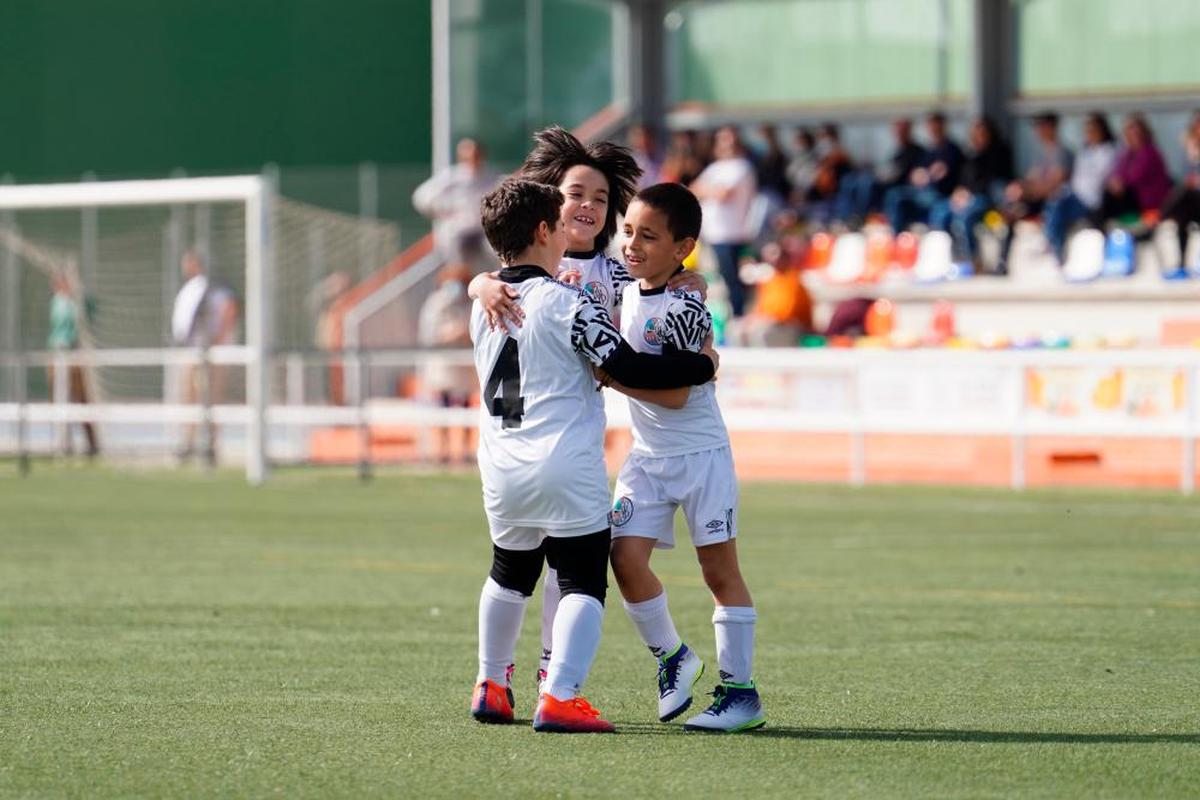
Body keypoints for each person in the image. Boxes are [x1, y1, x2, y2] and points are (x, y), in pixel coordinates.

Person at [468, 178, 718, 733]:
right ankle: (560, 695)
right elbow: (628, 368)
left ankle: (490, 685)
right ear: (542, 231)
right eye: (559, 222)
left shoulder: (483, 305)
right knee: (582, 578)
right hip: (562, 461)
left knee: (509, 572)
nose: (567, 230)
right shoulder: (568, 303)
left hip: (500, 464)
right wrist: (703, 365)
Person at [609, 182, 764, 732]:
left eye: (648, 236)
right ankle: (673, 657)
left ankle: (741, 695)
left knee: (719, 572)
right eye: (628, 231)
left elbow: (676, 395)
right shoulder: (622, 291)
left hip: (700, 455)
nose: (631, 244)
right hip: (646, 458)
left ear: (683, 247)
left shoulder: (687, 306)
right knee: (624, 559)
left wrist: (612, 376)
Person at [170, 249, 238, 463]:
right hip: (192, 350)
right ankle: (188, 442)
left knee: (211, 397)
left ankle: (211, 444)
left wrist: (218, 339)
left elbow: (229, 310)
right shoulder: (190, 289)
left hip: (211, 351)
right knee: (189, 396)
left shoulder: (214, 288)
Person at [928, 116, 1013, 267]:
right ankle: (950, 260)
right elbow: (963, 181)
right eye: (976, 134)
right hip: (966, 198)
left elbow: (991, 183)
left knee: (964, 218)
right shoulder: (971, 157)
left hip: (986, 201)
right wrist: (958, 193)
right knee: (941, 213)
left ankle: (970, 261)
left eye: (983, 134)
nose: (978, 138)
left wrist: (968, 195)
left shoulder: (998, 155)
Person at [691, 126, 757, 317]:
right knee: (720, 282)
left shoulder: (742, 167)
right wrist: (711, 189)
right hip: (713, 234)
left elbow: (723, 193)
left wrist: (708, 189)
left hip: (733, 234)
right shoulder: (715, 167)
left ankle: (739, 317)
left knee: (734, 282)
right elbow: (694, 189)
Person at [996, 111, 1073, 272]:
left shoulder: (1062, 152)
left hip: (1054, 201)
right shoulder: (1041, 153)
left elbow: (1055, 183)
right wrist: (1019, 188)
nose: (1038, 131)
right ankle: (1003, 261)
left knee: (1051, 210)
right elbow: (1032, 178)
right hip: (1037, 199)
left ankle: (1058, 258)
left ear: (1051, 127)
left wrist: (1029, 190)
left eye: (1041, 126)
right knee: (1010, 209)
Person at [411, 137, 501, 271]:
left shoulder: (492, 175)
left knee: (497, 246)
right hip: (459, 228)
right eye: (469, 156)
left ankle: (502, 276)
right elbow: (422, 196)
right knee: (452, 243)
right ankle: (456, 279)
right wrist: (441, 211)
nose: (473, 159)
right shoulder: (451, 177)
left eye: (476, 155)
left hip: (484, 228)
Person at [1042, 112, 1118, 264]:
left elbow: (1100, 177)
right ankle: (1053, 244)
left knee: (1058, 208)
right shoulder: (1084, 152)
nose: (1089, 134)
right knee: (1054, 204)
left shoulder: (1109, 151)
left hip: (1093, 200)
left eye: (1093, 130)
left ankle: (1056, 247)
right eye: (1087, 130)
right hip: (1076, 195)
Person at [417, 264, 475, 463]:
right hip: (443, 366)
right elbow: (430, 334)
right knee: (443, 406)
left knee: (465, 407)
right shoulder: (436, 304)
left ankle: (466, 451)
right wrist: (452, 333)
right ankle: (443, 450)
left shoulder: (470, 303)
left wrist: (465, 332)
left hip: (465, 366)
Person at [834, 117, 926, 229]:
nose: (899, 134)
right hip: (886, 183)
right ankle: (846, 217)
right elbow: (888, 167)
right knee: (852, 181)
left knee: (868, 184)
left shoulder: (916, 150)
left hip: (901, 186)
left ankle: (861, 217)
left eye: (902, 131)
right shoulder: (898, 151)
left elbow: (906, 174)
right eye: (897, 131)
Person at [883, 111, 965, 234]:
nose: (933, 128)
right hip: (922, 193)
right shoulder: (928, 150)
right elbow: (916, 174)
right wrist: (922, 175)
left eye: (936, 125)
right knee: (895, 196)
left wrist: (930, 174)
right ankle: (896, 237)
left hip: (941, 194)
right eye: (930, 125)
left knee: (936, 209)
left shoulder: (952, 149)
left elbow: (943, 173)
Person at [46, 268, 99, 457]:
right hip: (58, 356)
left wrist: (79, 292)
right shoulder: (58, 303)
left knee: (82, 399)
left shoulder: (76, 302)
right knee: (59, 399)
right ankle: (64, 443)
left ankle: (92, 443)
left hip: (75, 357)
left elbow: (91, 308)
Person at [731, 241, 812, 346]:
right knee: (736, 329)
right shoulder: (769, 280)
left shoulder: (794, 279)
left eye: (774, 254)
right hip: (769, 321)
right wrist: (751, 319)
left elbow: (788, 312)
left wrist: (767, 319)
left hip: (791, 325)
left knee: (761, 333)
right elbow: (761, 307)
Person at [1099, 113, 1173, 225]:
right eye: (1129, 132)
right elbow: (1118, 173)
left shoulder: (1149, 152)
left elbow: (1135, 177)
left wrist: (1119, 183)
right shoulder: (1127, 154)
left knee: (1114, 194)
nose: (1132, 135)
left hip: (1149, 202)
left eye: (1136, 132)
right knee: (1108, 192)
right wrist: (1114, 182)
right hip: (1134, 199)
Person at [1160, 111, 1200, 272]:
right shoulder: (1190, 151)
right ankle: (1182, 263)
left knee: (1183, 193)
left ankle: (1161, 215)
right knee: (1183, 218)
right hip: (1194, 200)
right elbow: (1184, 175)